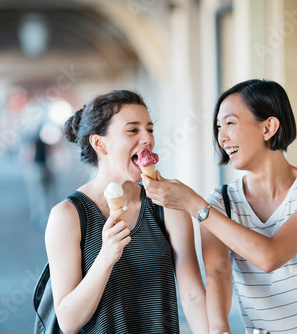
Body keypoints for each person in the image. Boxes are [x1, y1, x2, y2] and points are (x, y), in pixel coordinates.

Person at [142, 79, 297, 333]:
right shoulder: (221, 203)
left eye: (230, 123)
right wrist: (219, 327)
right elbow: (217, 272)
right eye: (218, 127)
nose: (222, 138)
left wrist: (194, 205)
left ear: (269, 127)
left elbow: (271, 256)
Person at [45, 90, 208, 334]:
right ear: (99, 143)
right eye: (133, 130)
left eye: (150, 129)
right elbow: (68, 321)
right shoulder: (68, 216)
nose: (147, 139)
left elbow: (193, 294)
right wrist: (106, 256)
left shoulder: (166, 205)